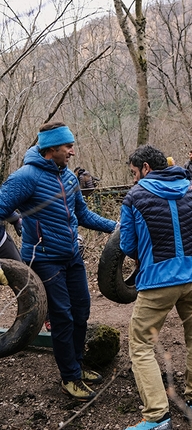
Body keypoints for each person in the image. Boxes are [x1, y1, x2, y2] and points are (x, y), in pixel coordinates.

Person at [0, 121, 117, 401]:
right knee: (62, 317)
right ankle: (70, 378)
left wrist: (116, 227)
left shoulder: (69, 178)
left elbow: (84, 215)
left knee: (81, 310)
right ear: (51, 148)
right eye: (68, 146)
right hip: (43, 259)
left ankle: (77, 364)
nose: (72, 152)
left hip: (71, 256)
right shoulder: (25, 177)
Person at [120, 145, 192, 430]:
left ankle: (156, 417)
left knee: (140, 344)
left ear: (145, 168)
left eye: (134, 172)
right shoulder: (191, 187)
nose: (133, 178)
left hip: (157, 282)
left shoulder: (135, 197)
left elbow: (127, 246)